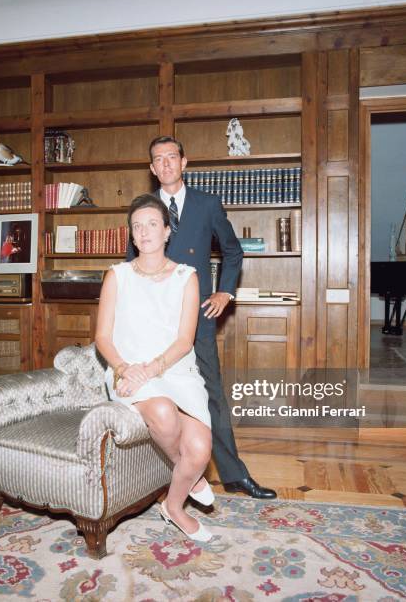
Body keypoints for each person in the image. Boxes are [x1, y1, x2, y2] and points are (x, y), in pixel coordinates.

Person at [127, 135, 277, 500]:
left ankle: (234, 474)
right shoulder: (144, 210)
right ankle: (162, 476)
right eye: (158, 160)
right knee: (152, 394)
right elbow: (130, 263)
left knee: (211, 396)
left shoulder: (207, 204)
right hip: (152, 319)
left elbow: (233, 251)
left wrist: (226, 290)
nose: (165, 164)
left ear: (184, 162)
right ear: (151, 169)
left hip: (197, 319)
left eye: (171, 157)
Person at [96, 194, 214, 542]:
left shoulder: (186, 277)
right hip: (128, 371)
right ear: (132, 237)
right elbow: (102, 337)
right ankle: (188, 482)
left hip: (175, 370)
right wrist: (122, 368)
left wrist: (155, 368)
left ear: (166, 231)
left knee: (202, 449)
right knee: (162, 412)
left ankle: (172, 505)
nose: (144, 232)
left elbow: (184, 340)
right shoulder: (117, 276)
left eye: (152, 224)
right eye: (137, 226)